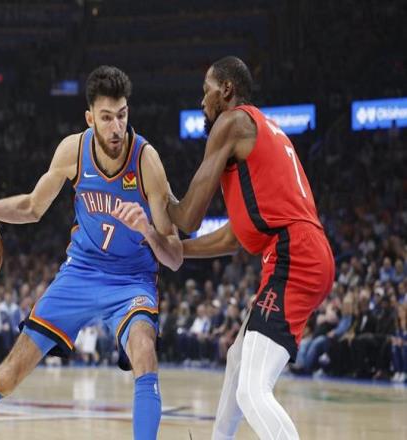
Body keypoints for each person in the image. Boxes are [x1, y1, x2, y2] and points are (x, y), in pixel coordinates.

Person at [0, 65, 182, 440]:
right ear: (90, 118)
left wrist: (148, 231)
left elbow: (175, 257)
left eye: (122, 115)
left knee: (144, 352)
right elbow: (32, 208)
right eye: (106, 117)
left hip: (131, 280)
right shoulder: (73, 150)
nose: (116, 127)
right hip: (80, 273)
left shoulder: (147, 162)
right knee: (8, 374)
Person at [167, 56, 335, 440]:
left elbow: (188, 216)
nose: (202, 101)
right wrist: (180, 251)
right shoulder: (262, 130)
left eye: (207, 90)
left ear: (226, 89)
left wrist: (157, 197)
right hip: (304, 250)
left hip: (294, 254)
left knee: (252, 390)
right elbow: (234, 237)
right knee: (238, 360)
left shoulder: (231, 122)